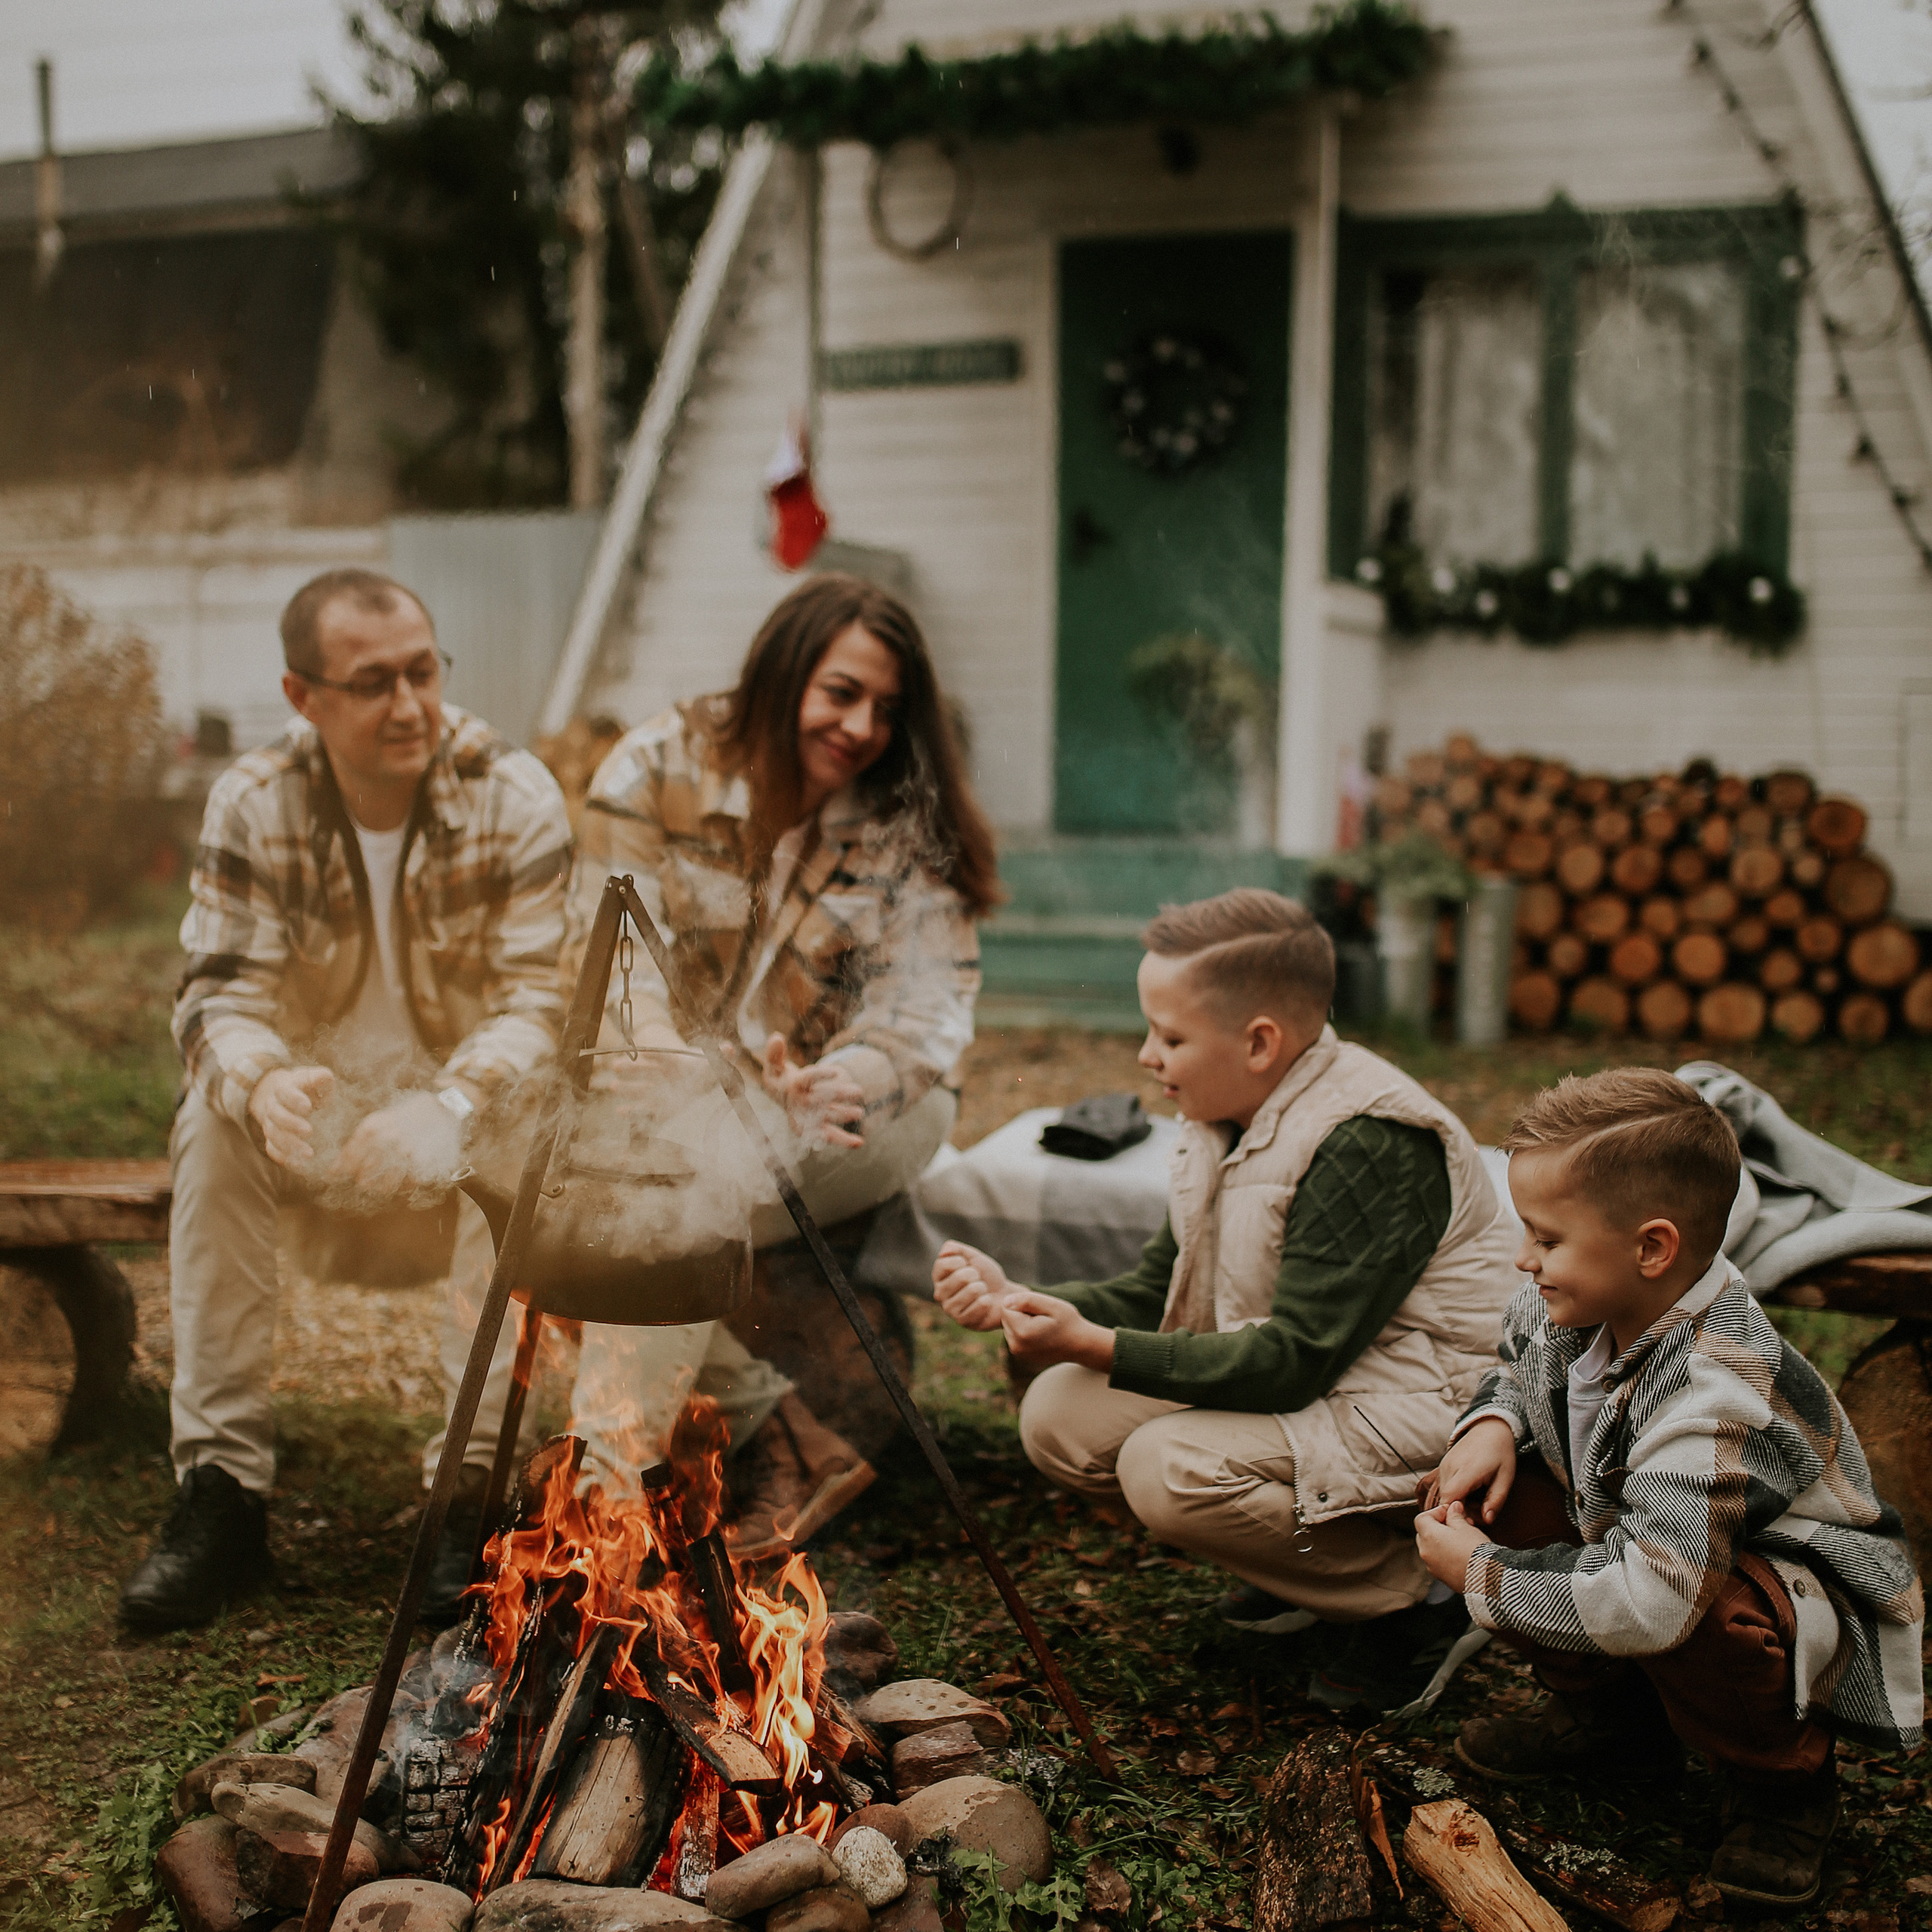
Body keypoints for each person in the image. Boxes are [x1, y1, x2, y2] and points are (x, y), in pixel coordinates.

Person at [441, 573, 998, 1579]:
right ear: (784, 671)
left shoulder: (907, 818)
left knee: (679, 1204)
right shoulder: (659, 765)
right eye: (841, 692)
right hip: (675, 1089)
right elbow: (607, 951)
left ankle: (609, 1510)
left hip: (869, 1110)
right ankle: (484, 1484)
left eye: (886, 708)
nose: (862, 726)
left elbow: (924, 1017)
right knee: (530, 1194)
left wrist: (846, 1077)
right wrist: (680, 1075)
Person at [118, 568, 573, 1631]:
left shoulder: (513, 791)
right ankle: (222, 1495)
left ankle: (467, 1492)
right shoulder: (254, 798)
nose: (409, 705)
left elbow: (543, 1004)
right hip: (320, 1124)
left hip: (459, 1130)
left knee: (522, 1120)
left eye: (422, 672)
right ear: (302, 694)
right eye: (372, 683)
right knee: (212, 1120)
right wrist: (265, 1081)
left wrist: (450, 1105)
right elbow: (217, 994)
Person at [932, 888, 1517, 1709]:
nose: (1145, 1055)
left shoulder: (1368, 1139)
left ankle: (1424, 1595)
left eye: (1169, 1036)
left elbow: (1292, 1363)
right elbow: (1155, 1289)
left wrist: (1091, 1342)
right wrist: (1018, 1299)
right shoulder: (1227, 1113)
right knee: (1061, 1415)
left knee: (1166, 1470)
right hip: (1332, 1379)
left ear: (1258, 1042)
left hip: (1434, 1403)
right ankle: (1306, 1568)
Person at [1417, 1069, 1924, 1909]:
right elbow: (1517, 1368)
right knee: (1493, 1500)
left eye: (1545, 1237)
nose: (1522, 1257)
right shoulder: (1574, 1297)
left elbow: (1655, 1598)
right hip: (1642, 1535)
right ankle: (1612, 1722)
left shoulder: (1717, 1392)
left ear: (1651, 1247)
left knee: (1710, 1614)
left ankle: (1781, 1784)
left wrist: (1481, 1575)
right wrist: (1491, 1426)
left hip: (1773, 1589)